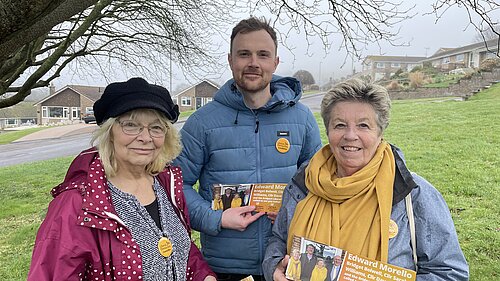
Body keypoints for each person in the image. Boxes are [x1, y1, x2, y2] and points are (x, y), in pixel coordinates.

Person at [262, 78, 469, 281]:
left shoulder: (412, 193)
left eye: (363, 125)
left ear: (380, 132)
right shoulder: (303, 184)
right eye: (340, 125)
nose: (350, 135)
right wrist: (274, 268)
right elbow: (279, 239)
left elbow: (450, 272)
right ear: (328, 131)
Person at [174, 16, 322, 280]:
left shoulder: (302, 118)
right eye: (244, 54)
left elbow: (318, 182)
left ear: (275, 62)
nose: (253, 63)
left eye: (263, 54)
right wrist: (215, 218)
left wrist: (297, 212)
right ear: (230, 60)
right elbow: (175, 186)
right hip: (223, 265)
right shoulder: (202, 123)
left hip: (286, 260)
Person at [28, 77, 216, 281]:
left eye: (156, 127)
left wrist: (203, 276)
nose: (146, 137)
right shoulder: (77, 204)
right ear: (110, 133)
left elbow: (180, 251)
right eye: (131, 125)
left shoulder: (166, 185)